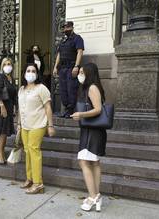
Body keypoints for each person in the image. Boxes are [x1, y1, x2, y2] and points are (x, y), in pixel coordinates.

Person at [70, 63, 106, 212]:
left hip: (92, 131)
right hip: (93, 130)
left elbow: (98, 109)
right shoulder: (91, 88)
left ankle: (92, 197)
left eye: (83, 72)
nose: (80, 75)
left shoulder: (92, 88)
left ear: (90, 74)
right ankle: (96, 196)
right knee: (94, 163)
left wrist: (81, 114)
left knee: (84, 161)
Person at [18, 63, 56, 194]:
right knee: (27, 151)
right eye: (28, 70)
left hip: (38, 124)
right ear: (24, 73)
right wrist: (19, 124)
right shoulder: (21, 89)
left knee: (34, 150)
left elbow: (48, 108)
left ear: (37, 73)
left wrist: (50, 125)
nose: (30, 73)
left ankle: (38, 183)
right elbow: (20, 108)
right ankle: (29, 178)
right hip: (25, 125)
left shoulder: (41, 88)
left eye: (33, 71)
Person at [53, 21, 85, 118]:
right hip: (63, 68)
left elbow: (80, 52)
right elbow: (59, 54)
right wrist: (55, 67)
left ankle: (70, 110)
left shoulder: (77, 38)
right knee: (63, 90)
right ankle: (66, 110)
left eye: (67, 27)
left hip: (71, 67)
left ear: (72, 27)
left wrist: (76, 66)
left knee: (71, 89)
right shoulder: (63, 41)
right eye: (64, 28)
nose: (65, 29)